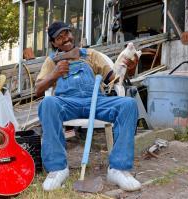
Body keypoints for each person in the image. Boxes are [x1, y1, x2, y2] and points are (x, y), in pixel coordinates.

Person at [35, 21, 141, 192]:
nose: (65, 39)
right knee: (48, 103)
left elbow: (113, 79)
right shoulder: (51, 61)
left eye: (67, 34)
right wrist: (54, 74)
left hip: (96, 101)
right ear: (54, 43)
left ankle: (118, 169)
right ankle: (58, 169)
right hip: (67, 103)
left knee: (128, 104)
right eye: (59, 38)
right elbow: (38, 90)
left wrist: (129, 69)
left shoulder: (90, 55)